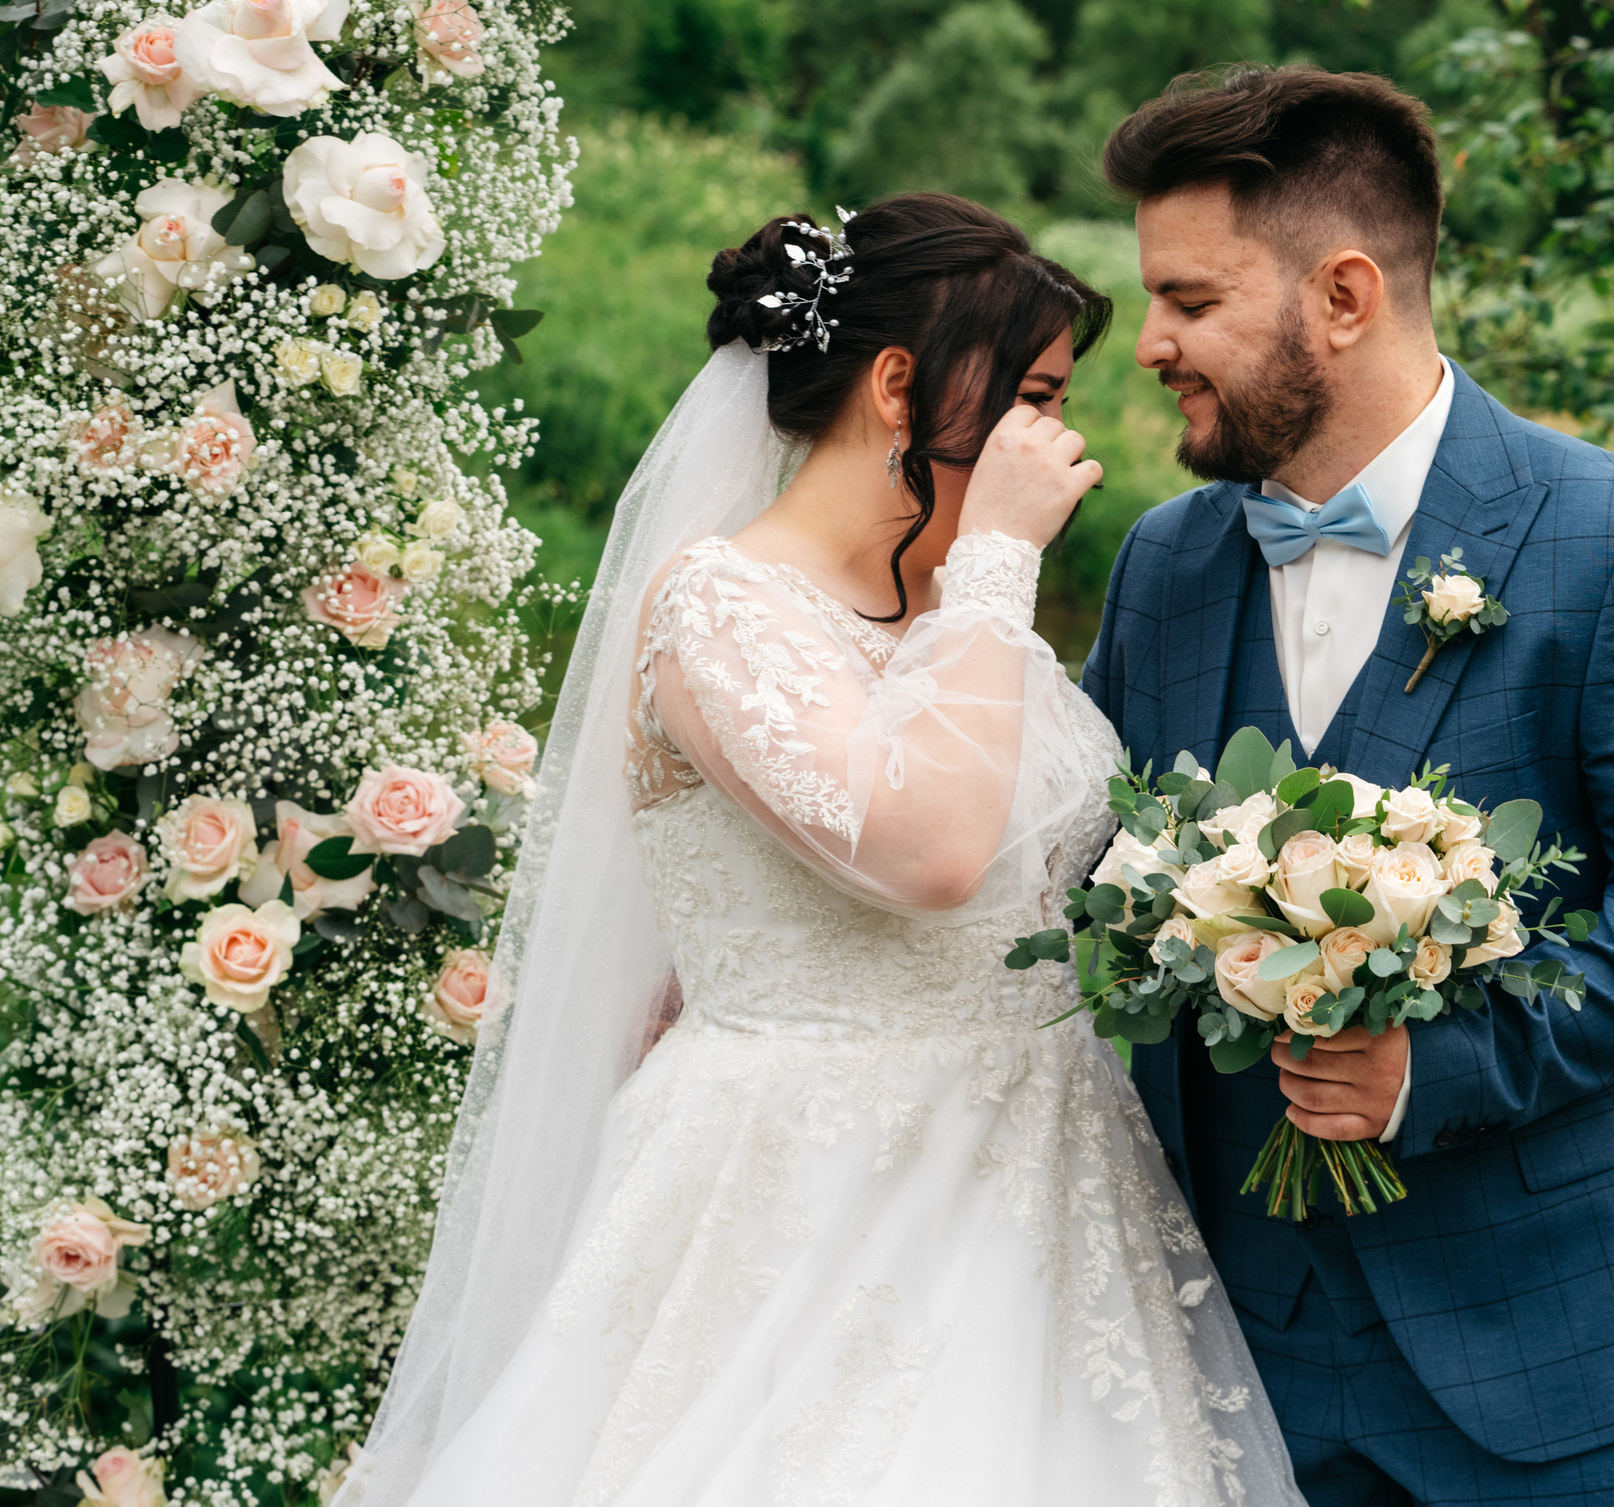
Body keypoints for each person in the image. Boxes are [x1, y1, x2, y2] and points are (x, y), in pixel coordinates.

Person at [339, 193, 1302, 1507]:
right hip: (809, 1202)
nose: (1056, 442)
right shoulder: (721, 604)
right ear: (900, 385)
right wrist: (1004, 560)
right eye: (1030, 395)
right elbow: (928, 851)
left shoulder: (960, 619)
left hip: (1043, 1190)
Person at [1083, 65, 1614, 1506]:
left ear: (1344, 295)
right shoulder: (1163, 562)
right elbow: (1088, 873)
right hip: (1237, 1344)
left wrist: (1439, 1068)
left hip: (1555, 1340)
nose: (1150, 342)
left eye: (1193, 302)